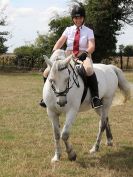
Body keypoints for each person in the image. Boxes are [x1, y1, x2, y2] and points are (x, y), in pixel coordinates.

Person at [40, 3, 103, 109]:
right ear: (73, 19)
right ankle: (46, 97)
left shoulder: (89, 31)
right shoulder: (68, 30)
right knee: (46, 72)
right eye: (75, 18)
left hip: (83, 55)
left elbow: (92, 45)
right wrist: (55, 52)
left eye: (80, 18)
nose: (78, 20)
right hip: (67, 57)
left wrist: (86, 53)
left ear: (83, 18)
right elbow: (60, 42)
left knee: (88, 69)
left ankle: (95, 97)